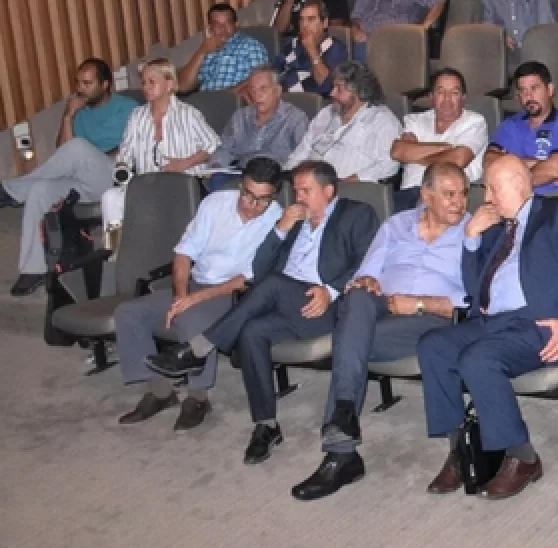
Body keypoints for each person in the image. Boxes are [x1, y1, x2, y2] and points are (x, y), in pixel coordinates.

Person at [143, 160, 381, 464]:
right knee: (252, 332)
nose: (298, 198)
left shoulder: (356, 214)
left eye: (305, 191)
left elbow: (369, 262)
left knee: (272, 285)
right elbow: (258, 269)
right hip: (284, 303)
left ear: (328, 191)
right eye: (296, 191)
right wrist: (280, 229)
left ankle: (199, 348)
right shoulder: (291, 220)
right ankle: (266, 425)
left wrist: (331, 290)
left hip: (322, 305)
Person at [413, 155, 558, 499]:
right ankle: (463, 450)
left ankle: (522, 455)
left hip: (537, 324)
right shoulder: (496, 227)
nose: (486, 197)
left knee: (478, 359)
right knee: (433, 345)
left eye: (492, 188)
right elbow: (472, 289)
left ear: (517, 184)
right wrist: (471, 236)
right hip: (491, 321)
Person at [291, 161, 471, 501]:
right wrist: (368, 280)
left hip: (431, 317)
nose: (459, 203)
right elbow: (367, 270)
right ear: (426, 194)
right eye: (449, 195)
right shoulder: (396, 225)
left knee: (349, 343)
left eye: (462, 194)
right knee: (357, 296)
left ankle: (342, 450)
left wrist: (419, 303)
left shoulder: (472, 233)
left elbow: (476, 298)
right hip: (383, 307)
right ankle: (345, 415)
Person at [111, 157, 284, 431]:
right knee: (129, 313)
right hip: (196, 283)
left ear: (274, 195)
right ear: (241, 186)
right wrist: (182, 296)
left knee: (193, 320)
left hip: (232, 293)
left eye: (263, 200)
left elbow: (247, 278)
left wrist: (193, 301)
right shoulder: (215, 204)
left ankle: (197, 397)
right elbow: (184, 252)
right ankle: (160, 391)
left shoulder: (277, 220)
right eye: (248, 195)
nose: (253, 206)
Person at [1, 59, 136, 295]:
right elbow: (63, 153)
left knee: (79, 148)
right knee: (40, 190)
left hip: (117, 176)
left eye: (87, 83)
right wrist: (68, 116)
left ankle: (10, 190)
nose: (80, 89)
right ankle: (33, 269)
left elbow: (134, 147)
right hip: (86, 183)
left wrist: (94, 156)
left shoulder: (128, 107)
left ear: (105, 84)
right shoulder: (80, 114)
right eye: (79, 83)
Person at [99, 59, 220, 228]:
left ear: (169, 84)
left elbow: (213, 145)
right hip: (148, 184)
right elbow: (125, 154)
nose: (146, 87)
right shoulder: (137, 116)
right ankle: (117, 244)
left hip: (182, 184)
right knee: (110, 197)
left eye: (152, 82)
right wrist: (122, 167)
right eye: (143, 82)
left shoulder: (188, 114)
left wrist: (184, 163)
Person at [285, 62, 402, 182]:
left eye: (339, 89)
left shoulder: (382, 121)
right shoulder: (326, 113)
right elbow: (302, 151)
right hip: (307, 185)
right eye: (333, 87)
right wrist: (287, 176)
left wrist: (351, 180)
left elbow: (390, 165)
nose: (332, 93)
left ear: (358, 91)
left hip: (349, 188)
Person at [390, 69, 488, 211]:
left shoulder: (475, 122)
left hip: (448, 196)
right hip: (407, 194)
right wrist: (444, 148)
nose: (447, 99)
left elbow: (458, 160)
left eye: (454, 93)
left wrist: (414, 151)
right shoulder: (415, 120)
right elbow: (397, 152)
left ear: (463, 97)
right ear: (431, 97)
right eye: (441, 92)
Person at [484, 61, 558, 193]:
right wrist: (536, 162)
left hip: (556, 199)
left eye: (534, 88)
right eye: (523, 90)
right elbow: (489, 162)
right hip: (512, 198)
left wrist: (508, 165)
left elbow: (552, 170)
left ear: (550, 90)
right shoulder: (509, 125)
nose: (529, 96)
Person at [210, 67, 310, 178]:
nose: (257, 95)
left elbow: (304, 156)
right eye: (253, 90)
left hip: (277, 175)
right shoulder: (240, 117)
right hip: (243, 173)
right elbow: (225, 148)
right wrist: (216, 166)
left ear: (277, 91)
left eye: (263, 89)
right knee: (217, 178)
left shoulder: (295, 118)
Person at [177, 3, 271, 92]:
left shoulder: (251, 46)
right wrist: (202, 51)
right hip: (204, 99)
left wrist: (225, 96)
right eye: (217, 24)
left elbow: (260, 79)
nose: (222, 28)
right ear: (210, 28)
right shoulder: (207, 49)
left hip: (233, 99)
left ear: (236, 24)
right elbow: (183, 86)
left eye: (227, 23)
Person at [277, 0, 348, 97]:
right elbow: (275, 72)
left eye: (311, 19)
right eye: (302, 19)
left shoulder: (336, 49)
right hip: (284, 100)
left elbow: (328, 87)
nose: (304, 25)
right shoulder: (292, 44)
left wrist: (312, 50)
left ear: (324, 23)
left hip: (312, 103)